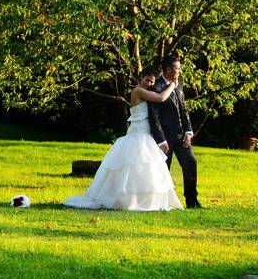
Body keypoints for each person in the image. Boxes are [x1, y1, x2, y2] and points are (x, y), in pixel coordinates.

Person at [63, 69, 184, 211]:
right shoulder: (138, 91)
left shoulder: (148, 92)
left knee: (146, 168)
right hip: (137, 133)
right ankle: (127, 199)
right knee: (132, 165)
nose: (149, 84)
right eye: (147, 80)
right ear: (140, 78)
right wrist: (172, 85)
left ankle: (145, 199)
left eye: (152, 81)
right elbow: (161, 98)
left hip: (146, 134)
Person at [148, 56, 201, 209]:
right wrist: (161, 141)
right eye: (178, 68)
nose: (180, 71)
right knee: (163, 171)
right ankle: (160, 203)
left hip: (181, 137)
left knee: (191, 163)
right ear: (169, 69)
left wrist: (189, 131)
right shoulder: (156, 88)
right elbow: (154, 118)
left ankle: (192, 201)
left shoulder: (179, 85)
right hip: (165, 140)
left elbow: (184, 109)